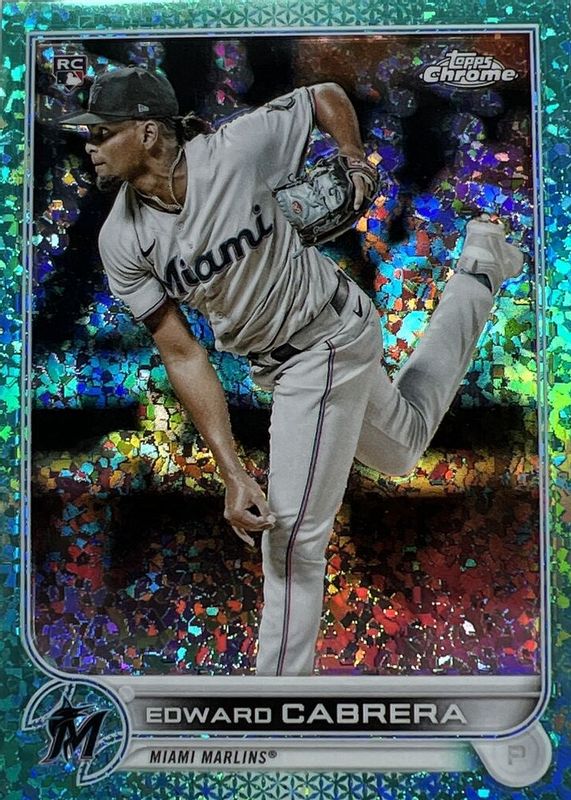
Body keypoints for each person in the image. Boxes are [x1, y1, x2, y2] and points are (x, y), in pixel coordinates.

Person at [63, 66, 523, 677]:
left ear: (148, 133)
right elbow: (183, 353)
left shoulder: (233, 151)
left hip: (324, 341)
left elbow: (325, 96)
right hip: (287, 360)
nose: (89, 145)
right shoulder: (121, 239)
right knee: (403, 446)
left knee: (292, 539)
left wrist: (354, 158)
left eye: (102, 131)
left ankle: (277, 701)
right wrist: (232, 471)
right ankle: (480, 270)